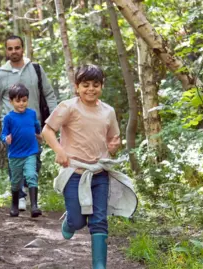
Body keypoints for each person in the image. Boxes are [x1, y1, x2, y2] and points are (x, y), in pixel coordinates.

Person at [41, 64, 137, 269]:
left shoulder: (108, 112)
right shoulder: (68, 107)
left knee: (99, 220)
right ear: (77, 87)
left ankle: (99, 266)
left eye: (95, 85)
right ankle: (70, 221)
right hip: (74, 172)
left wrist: (114, 147)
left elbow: (113, 140)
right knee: (78, 222)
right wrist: (60, 151)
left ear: (102, 86)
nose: (90, 89)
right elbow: (48, 131)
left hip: (99, 174)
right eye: (85, 85)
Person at [0, 35, 57, 211]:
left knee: (34, 161)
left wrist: (55, 118)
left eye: (17, 48)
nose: (14, 51)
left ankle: (29, 192)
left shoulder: (35, 69)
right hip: (12, 126)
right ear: (6, 51)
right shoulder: (1, 74)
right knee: (16, 161)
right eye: (10, 49)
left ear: (22, 48)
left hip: (34, 125)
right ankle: (21, 196)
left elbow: (48, 94)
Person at [0, 84, 42, 218]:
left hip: (30, 151)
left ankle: (34, 206)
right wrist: (6, 138)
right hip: (15, 155)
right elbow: (3, 134)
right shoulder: (9, 118)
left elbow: (36, 125)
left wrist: (38, 134)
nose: (21, 104)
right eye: (18, 101)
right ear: (11, 101)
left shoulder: (31, 113)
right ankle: (14, 205)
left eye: (24, 100)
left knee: (31, 175)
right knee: (16, 180)